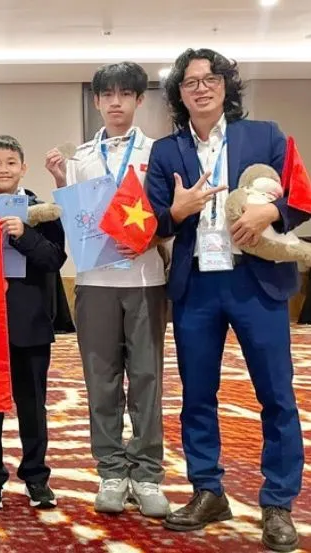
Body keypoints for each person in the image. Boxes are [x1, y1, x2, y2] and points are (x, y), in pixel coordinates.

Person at [146, 48, 305, 552]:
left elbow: (300, 197)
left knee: (276, 396)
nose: (200, 87)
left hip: (255, 280)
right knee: (197, 396)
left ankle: (277, 503)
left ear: (225, 86)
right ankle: (207, 491)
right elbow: (150, 222)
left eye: (209, 78)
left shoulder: (266, 135)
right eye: (189, 82)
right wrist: (178, 209)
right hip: (197, 286)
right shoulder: (166, 151)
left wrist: (270, 213)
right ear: (179, 94)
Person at [43, 62, 170, 518]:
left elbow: (168, 214)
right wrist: (61, 182)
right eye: (107, 95)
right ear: (96, 102)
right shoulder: (77, 159)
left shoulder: (157, 153)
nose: (116, 102)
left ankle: (149, 473)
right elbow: (74, 217)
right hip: (94, 282)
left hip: (145, 279)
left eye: (126, 94)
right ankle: (112, 471)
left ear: (139, 100)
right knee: (101, 379)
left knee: (147, 378)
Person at [0, 135, 65, 511]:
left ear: (23, 168)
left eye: (11, 162)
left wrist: (24, 236)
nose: (3, 169)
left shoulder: (43, 210)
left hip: (30, 321)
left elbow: (55, 259)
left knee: (32, 405)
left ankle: (37, 478)